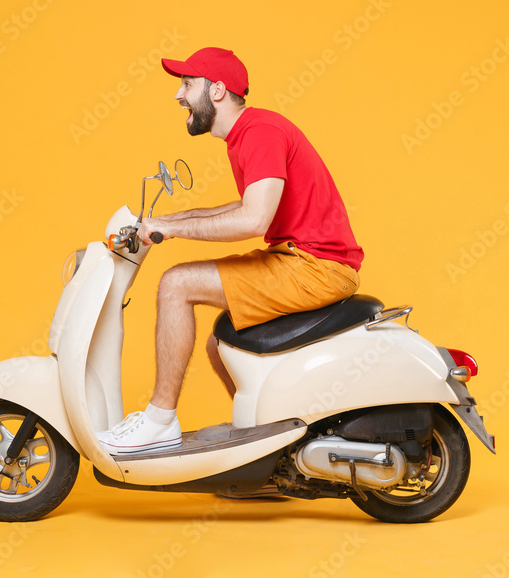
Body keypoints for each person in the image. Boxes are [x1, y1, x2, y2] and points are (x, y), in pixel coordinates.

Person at [96, 47, 364, 455]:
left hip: (317, 266)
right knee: (222, 343)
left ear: (217, 90)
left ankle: (159, 421)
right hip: (300, 259)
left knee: (176, 284)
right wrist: (169, 222)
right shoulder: (249, 134)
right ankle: (266, 451)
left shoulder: (260, 132)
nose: (178, 95)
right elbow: (241, 207)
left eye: (187, 84)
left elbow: (253, 221)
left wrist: (172, 228)